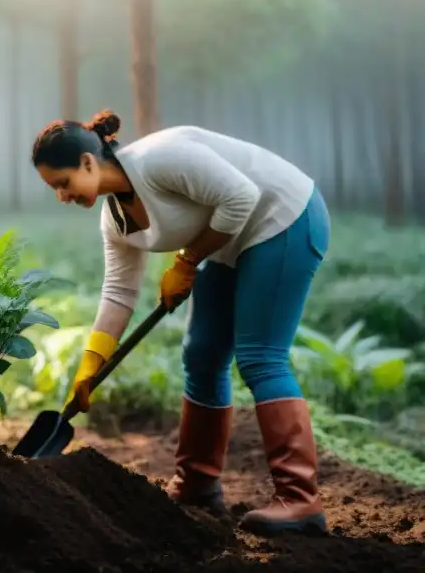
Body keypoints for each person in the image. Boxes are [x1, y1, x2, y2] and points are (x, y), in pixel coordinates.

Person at [31, 110, 331, 537]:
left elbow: (242, 197)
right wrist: (90, 365)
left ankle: (300, 499)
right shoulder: (115, 220)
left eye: (62, 183)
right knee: (202, 354)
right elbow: (119, 292)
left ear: (86, 162)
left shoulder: (161, 158)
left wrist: (188, 261)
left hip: (283, 216)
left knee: (260, 357)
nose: (62, 196)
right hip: (230, 243)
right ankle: (197, 484)